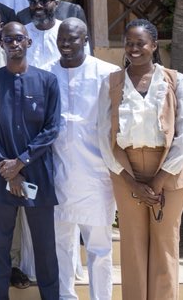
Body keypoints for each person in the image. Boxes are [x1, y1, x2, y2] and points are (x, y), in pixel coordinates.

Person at [98, 19, 183, 300]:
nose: (134, 48)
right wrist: (130, 181)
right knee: (133, 246)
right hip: (126, 171)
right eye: (129, 43)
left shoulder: (175, 80)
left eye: (140, 43)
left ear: (153, 46)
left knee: (165, 245)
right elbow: (103, 135)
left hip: (170, 172)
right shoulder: (113, 82)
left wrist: (160, 179)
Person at [0, 21, 61, 300]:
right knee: (0, 245)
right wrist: (7, 166)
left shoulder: (47, 81)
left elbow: (52, 128)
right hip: (1, 174)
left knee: (44, 245)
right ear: (1, 44)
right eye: (8, 39)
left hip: (37, 174)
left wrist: (21, 162)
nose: (14, 43)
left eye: (19, 38)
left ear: (29, 43)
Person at [50, 18, 118, 300]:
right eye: (62, 38)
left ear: (86, 39)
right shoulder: (47, 74)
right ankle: (65, 296)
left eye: (73, 38)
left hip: (97, 176)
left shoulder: (108, 73)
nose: (66, 44)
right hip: (58, 174)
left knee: (100, 248)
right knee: (60, 243)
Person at [24, 0, 65, 69]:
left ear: (56, 3)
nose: (38, 6)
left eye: (44, 1)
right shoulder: (22, 33)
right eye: (33, 2)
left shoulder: (66, 31)